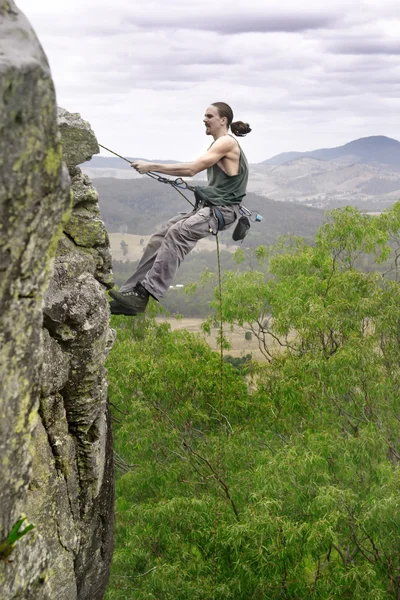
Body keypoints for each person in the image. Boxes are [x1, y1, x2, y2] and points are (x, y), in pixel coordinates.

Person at [109, 101, 251, 315]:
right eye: (205, 115)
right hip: (212, 207)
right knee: (160, 237)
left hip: (223, 210)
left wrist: (151, 166)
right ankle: (129, 294)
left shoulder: (226, 143)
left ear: (223, 120)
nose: (205, 119)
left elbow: (192, 169)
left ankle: (144, 294)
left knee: (178, 233)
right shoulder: (219, 144)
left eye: (209, 116)